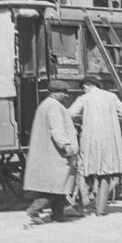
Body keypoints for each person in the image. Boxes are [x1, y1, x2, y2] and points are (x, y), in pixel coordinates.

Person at [67, 75, 122, 217]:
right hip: (109, 139)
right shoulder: (111, 97)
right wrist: (113, 120)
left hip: (90, 139)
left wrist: (81, 121)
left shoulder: (84, 98)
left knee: (87, 169)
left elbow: (70, 113)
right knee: (105, 173)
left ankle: (83, 203)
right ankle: (101, 209)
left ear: (86, 86)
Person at [24, 80, 79, 226]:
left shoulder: (45, 105)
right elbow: (57, 130)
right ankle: (33, 211)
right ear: (56, 93)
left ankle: (59, 215)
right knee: (55, 186)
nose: (66, 96)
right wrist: (66, 145)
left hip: (47, 153)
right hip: (55, 153)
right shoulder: (54, 107)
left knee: (61, 185)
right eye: (64, 93)